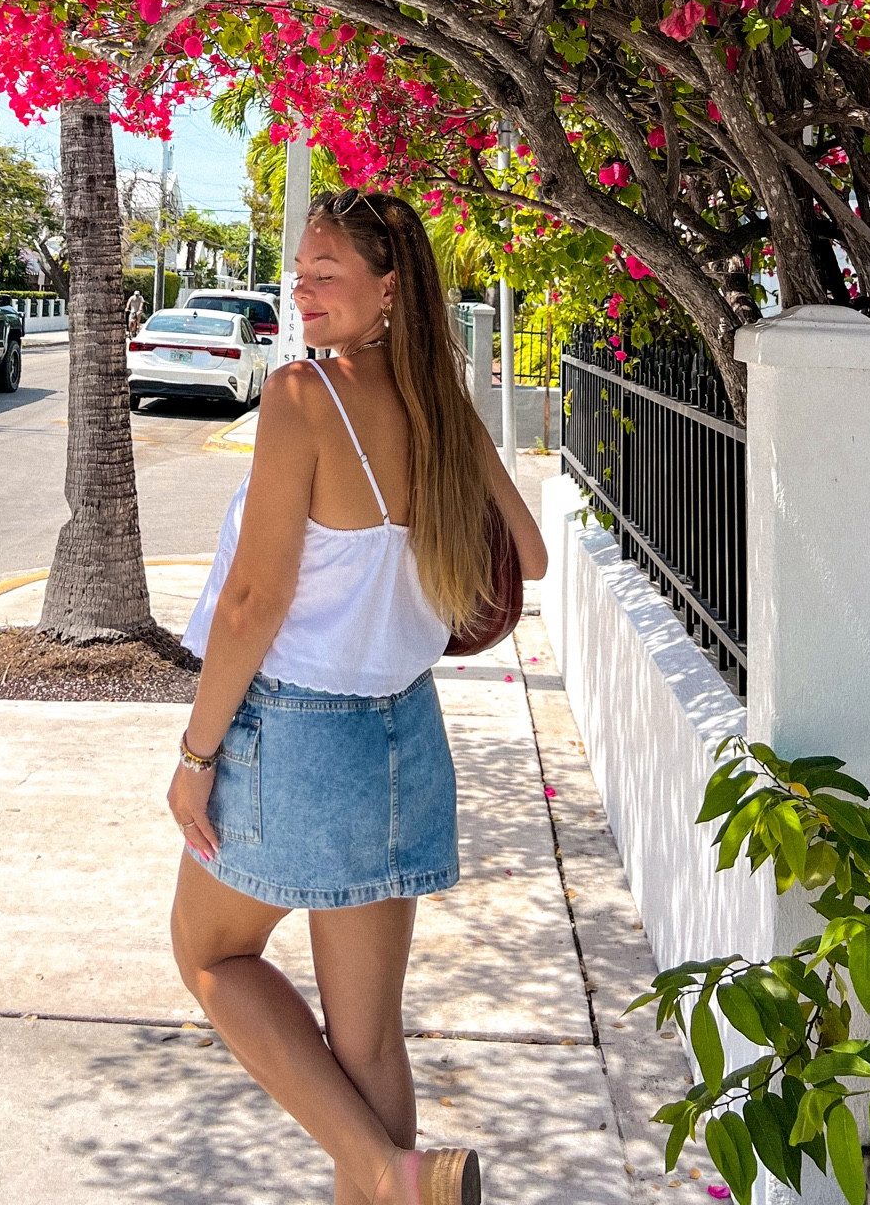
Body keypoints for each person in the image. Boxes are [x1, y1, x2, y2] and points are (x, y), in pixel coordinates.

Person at [169, 189, 548, 1205]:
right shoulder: (438, 403)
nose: (303, 285)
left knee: (209, 955)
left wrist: (198, 754)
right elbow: (531, 552)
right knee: (368, 1037)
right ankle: (403, 1176)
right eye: (300, 269)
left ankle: (388, 1170)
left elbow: (253, 601)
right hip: (403, 733)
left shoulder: (303, 394)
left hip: (296, 733)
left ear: (390, 286)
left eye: (327, 268)